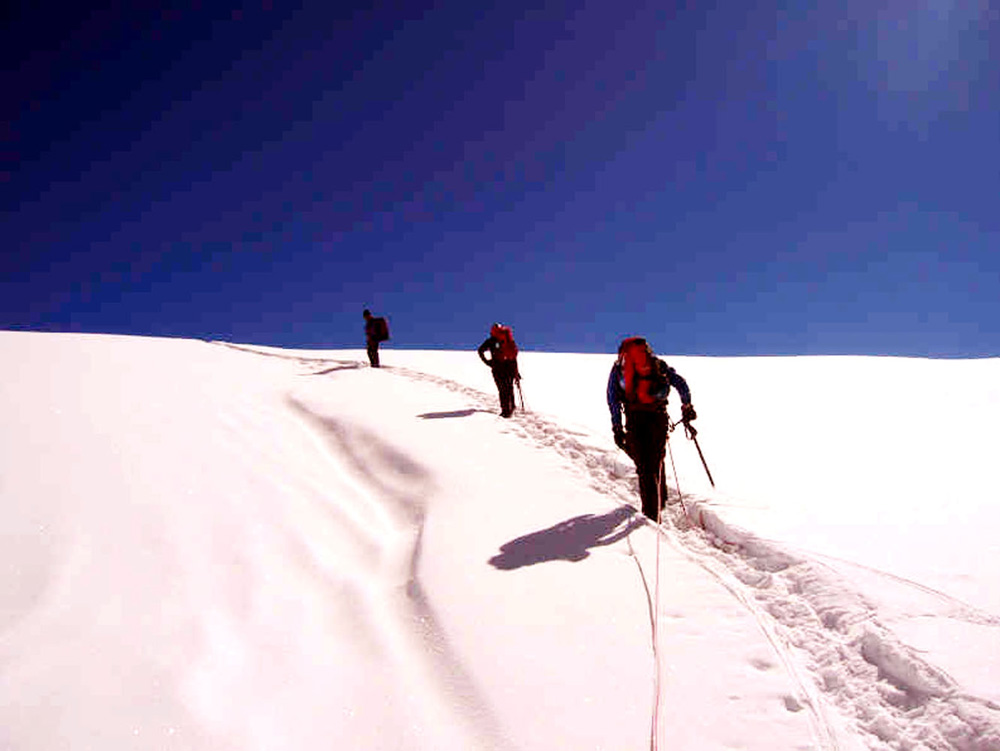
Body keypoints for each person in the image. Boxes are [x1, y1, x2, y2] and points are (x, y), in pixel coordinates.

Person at [607, 337, 696, 521]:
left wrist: (617, 427)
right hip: (658, 417)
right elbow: (680, 383)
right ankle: (659, 501)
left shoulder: (618, 370)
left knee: (644, 465)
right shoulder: (657, 365)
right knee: (657, 459)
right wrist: (687, 406)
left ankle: (651, 514)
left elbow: (613, 398)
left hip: (634, 419)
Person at [478, 323, 521, 417]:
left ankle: (506, 411)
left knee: (502, 389)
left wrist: (488, 362)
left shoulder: (491, 341)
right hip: (510, 367)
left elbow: (480, 350)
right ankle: (512, 406)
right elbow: (514, 357)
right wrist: (516, 372)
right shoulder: (508, 339)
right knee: (509, 387)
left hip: (498, 367)